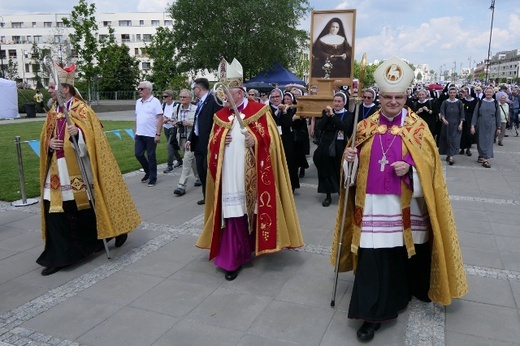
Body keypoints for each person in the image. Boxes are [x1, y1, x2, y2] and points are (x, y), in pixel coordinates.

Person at [332, 57, 468, 342]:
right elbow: (349, 177)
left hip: (405, 204)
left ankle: (400, 295)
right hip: (371, 206)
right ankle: (371, 315)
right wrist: (348, 161)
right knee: (373, 258)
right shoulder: (364, 126)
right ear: (379, 97)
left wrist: (411, 170)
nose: (392, 102)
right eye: (387, 96)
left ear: (406, 96)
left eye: (398, 96)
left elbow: (431, 169)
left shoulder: (418, 128)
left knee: (398, 256)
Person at [196, 58, 304, 281]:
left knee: (252, 211)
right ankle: (233, 258)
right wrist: (220, 142)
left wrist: (255, 140)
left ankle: (251, 247)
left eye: (229, 92)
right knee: (234, 213)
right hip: (230, 176)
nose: (224, 98)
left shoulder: (259, 112)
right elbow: (211, 144)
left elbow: (273, 142)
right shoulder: (220, 116)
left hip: (253, 174)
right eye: (223, 92)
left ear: (240, 92)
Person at [37, 64, 141, 276]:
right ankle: (60, 255)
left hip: (79, 169)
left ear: (65, 89)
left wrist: (79, 133)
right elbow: (45, 137)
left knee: (85, 209)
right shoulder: (53, 111)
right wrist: (49, 145)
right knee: (54, 209)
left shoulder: (82, 110)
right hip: (56, 170)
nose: (48, 90)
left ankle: (113, 231)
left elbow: (95, 139)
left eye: (51, 87)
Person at [313, 91, 354, 207]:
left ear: (344, 103)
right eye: (335, 101)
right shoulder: (326, 112)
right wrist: (328, 115)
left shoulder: (348, 114)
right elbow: (321, 127)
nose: (336, 104)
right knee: (325, 167)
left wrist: (333, 116)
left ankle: (341, 191)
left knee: (339, 169)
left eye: (339, 101)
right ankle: (328, 195)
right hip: (326, 143)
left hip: (340, 144)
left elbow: (344, 127)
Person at [186, 78, 222, 205]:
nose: (193, 90)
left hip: (208, 142)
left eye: (194, 88)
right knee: (201, 171)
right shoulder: (200, 102)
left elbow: (218, 122)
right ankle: (206, 196)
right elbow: (197, 123)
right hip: (198, 142)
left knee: (207, 170)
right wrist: (190, 139)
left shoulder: (213, 101)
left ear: (199, 88)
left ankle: (213, 197)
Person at [135, 81, 163, 187]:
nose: (139, 91)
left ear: (148, 90)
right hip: (140, 133)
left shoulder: (155, 101)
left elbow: (160, 118)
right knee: (138, 154)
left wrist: (158, 134)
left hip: (151, 134)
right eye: (139, 89)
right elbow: (137, 117)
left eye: (141, 89)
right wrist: (136, 130)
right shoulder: (138, 102)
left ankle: (152, 177)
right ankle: (148, 171)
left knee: (151, 155)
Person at [173, 89, 201, 196]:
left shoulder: (196, 109)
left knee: (186, 160)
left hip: (192, 138)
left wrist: (190, 123)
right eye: (180, 97)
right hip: (181, 137)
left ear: (190, 99)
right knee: (192, 159)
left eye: (184, 97)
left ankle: (181, 186)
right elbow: (173, 120)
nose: (182, 99)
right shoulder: (177, 109)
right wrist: (176, 123)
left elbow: (200, 123)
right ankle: (199, 177)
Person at [471, 86, 501, 168]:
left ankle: (485, 160)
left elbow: (498, 115)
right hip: (481, 124)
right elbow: (475, 114)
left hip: (491, 124)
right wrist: (472, 126)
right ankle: (481, 155)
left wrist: (499, 127)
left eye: (490, 92)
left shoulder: (495, 103)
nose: (488, 93)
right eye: (487, 92)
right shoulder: (480, 102)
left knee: (489, 141)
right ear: (485, 93)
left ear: (493, 93)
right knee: (480, 141)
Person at [438, 86, 464, 165]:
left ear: (456, 93)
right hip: (447, 124)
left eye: (454, 93)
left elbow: (462, 114)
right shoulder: (445, 102)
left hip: (456, 125)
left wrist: (461, 124)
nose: (452, 94)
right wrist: (443, 119)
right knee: (448, 140)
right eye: (451, 93)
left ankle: (451, 157)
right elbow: (442, 112)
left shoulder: (459, 103)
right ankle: (449, 155)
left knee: (454, 140)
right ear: (448, 93)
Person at [161, 90, 183, 173]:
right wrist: (164, 120)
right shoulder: (163, 105)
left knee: (169, 146)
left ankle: (169, 165)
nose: (164, 98)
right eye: (163, 96)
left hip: (173, 128)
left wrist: (171, 119)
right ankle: (179, 160)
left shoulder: (176, 105)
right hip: (166, 127)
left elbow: (180, 116)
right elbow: (161, 115)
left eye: (166, 96)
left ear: (170, 97)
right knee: (173, 146)